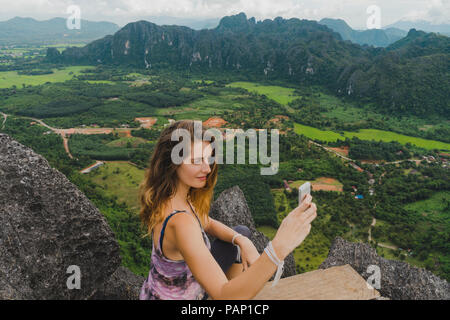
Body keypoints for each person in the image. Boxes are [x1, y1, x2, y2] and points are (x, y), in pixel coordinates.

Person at [138, 120, 317, 300]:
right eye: (197, 161)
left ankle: (238, 282)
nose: (207, 168)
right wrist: (279, 247)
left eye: (208, 159)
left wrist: (241, 240)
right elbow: (225, 296)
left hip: (164, 290)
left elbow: (206, 222)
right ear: (172, 163)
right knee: (233, 292)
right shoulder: (180, 222)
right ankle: (239, 288)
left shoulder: (172, 197)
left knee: (242, 232)